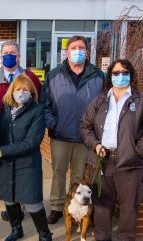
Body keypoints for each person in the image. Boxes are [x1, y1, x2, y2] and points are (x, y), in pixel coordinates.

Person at [80, 59, 143, 241]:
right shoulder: (100, 101)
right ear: (110, 76)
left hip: (130, 163)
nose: (120, 76)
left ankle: (126, 239)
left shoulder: (142, 100)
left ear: (131, 75)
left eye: (124, 72)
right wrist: (96, 144)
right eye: (115, 73)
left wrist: (137, 149)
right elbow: (85, 126)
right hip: (102, 160)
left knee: (128, 204)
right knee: (101, 202)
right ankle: (102, 236)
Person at [44, 35, 104, 224]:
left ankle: (76, 208)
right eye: (73, 48)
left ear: (87, 52)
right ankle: (56, 206)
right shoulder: (54, 74)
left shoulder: (99, 76)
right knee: (58, 173)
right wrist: (54, 124)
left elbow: (104, 106)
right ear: (67, 52)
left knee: (79, 176)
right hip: (60, 136)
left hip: (85, 138)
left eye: (81, 48)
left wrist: (95, 130)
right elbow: (45, 105)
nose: (77, 51)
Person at [0, 74, 52, 241]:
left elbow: (32, 142)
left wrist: (3, 150)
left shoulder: (37, 111)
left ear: (31, 92)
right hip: (5, 163)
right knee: (9, 199)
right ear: (12, 91)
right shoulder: (5, 109)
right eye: (18, 89)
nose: (21, 92)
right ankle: (16, 230)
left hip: (26, 163)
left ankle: (45, 234)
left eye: (25, 89)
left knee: (32, 202)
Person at [0, 40, 42, 221]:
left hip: (25, 131)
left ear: (19, 56)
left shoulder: (30, 78)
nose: (9, 56)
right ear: (0, 57)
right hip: (1, 133)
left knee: (24, 172)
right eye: (5, 53)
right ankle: (7, 204)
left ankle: (23, 202)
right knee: (4, 171)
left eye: (13, 53)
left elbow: (38, 102)